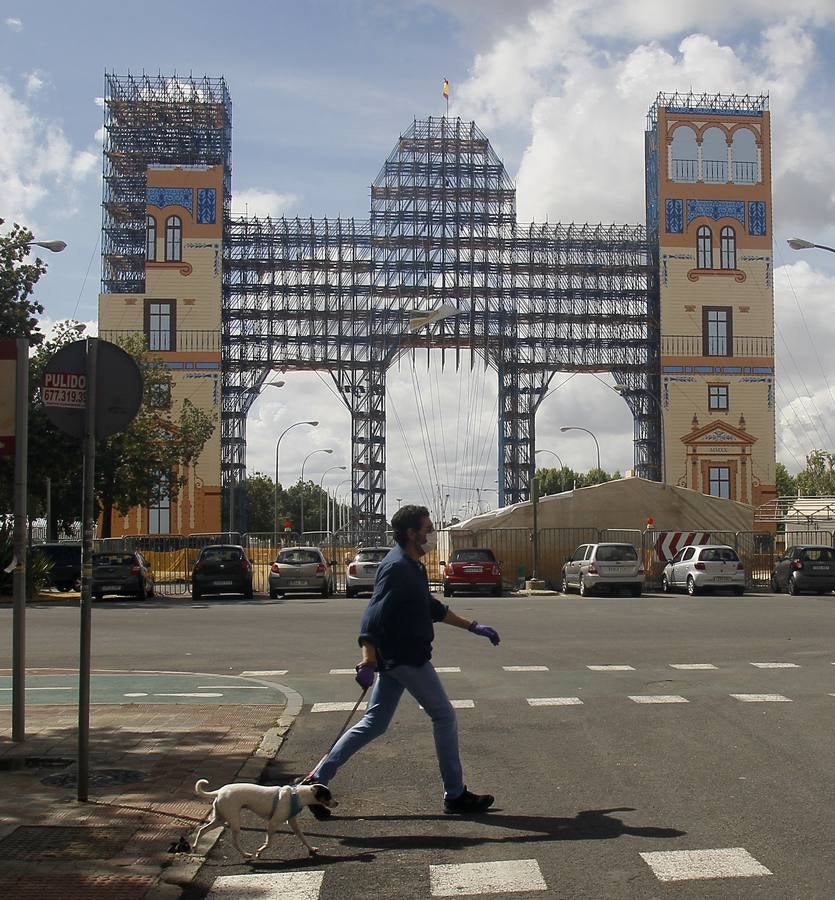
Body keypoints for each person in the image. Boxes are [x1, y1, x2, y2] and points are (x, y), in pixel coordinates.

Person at [302, 504, 501, 818]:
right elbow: (373, 615)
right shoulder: (397, 567)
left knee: (373, 724)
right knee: (444, 716)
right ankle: (455, 794)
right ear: (412, 533)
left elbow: (431, 607)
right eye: (428, 529)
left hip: (396, 659)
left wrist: (473, 626)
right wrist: (367, 660)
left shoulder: (413, 566)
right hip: (406, 658)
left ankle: (315, 782)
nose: (432, 535)